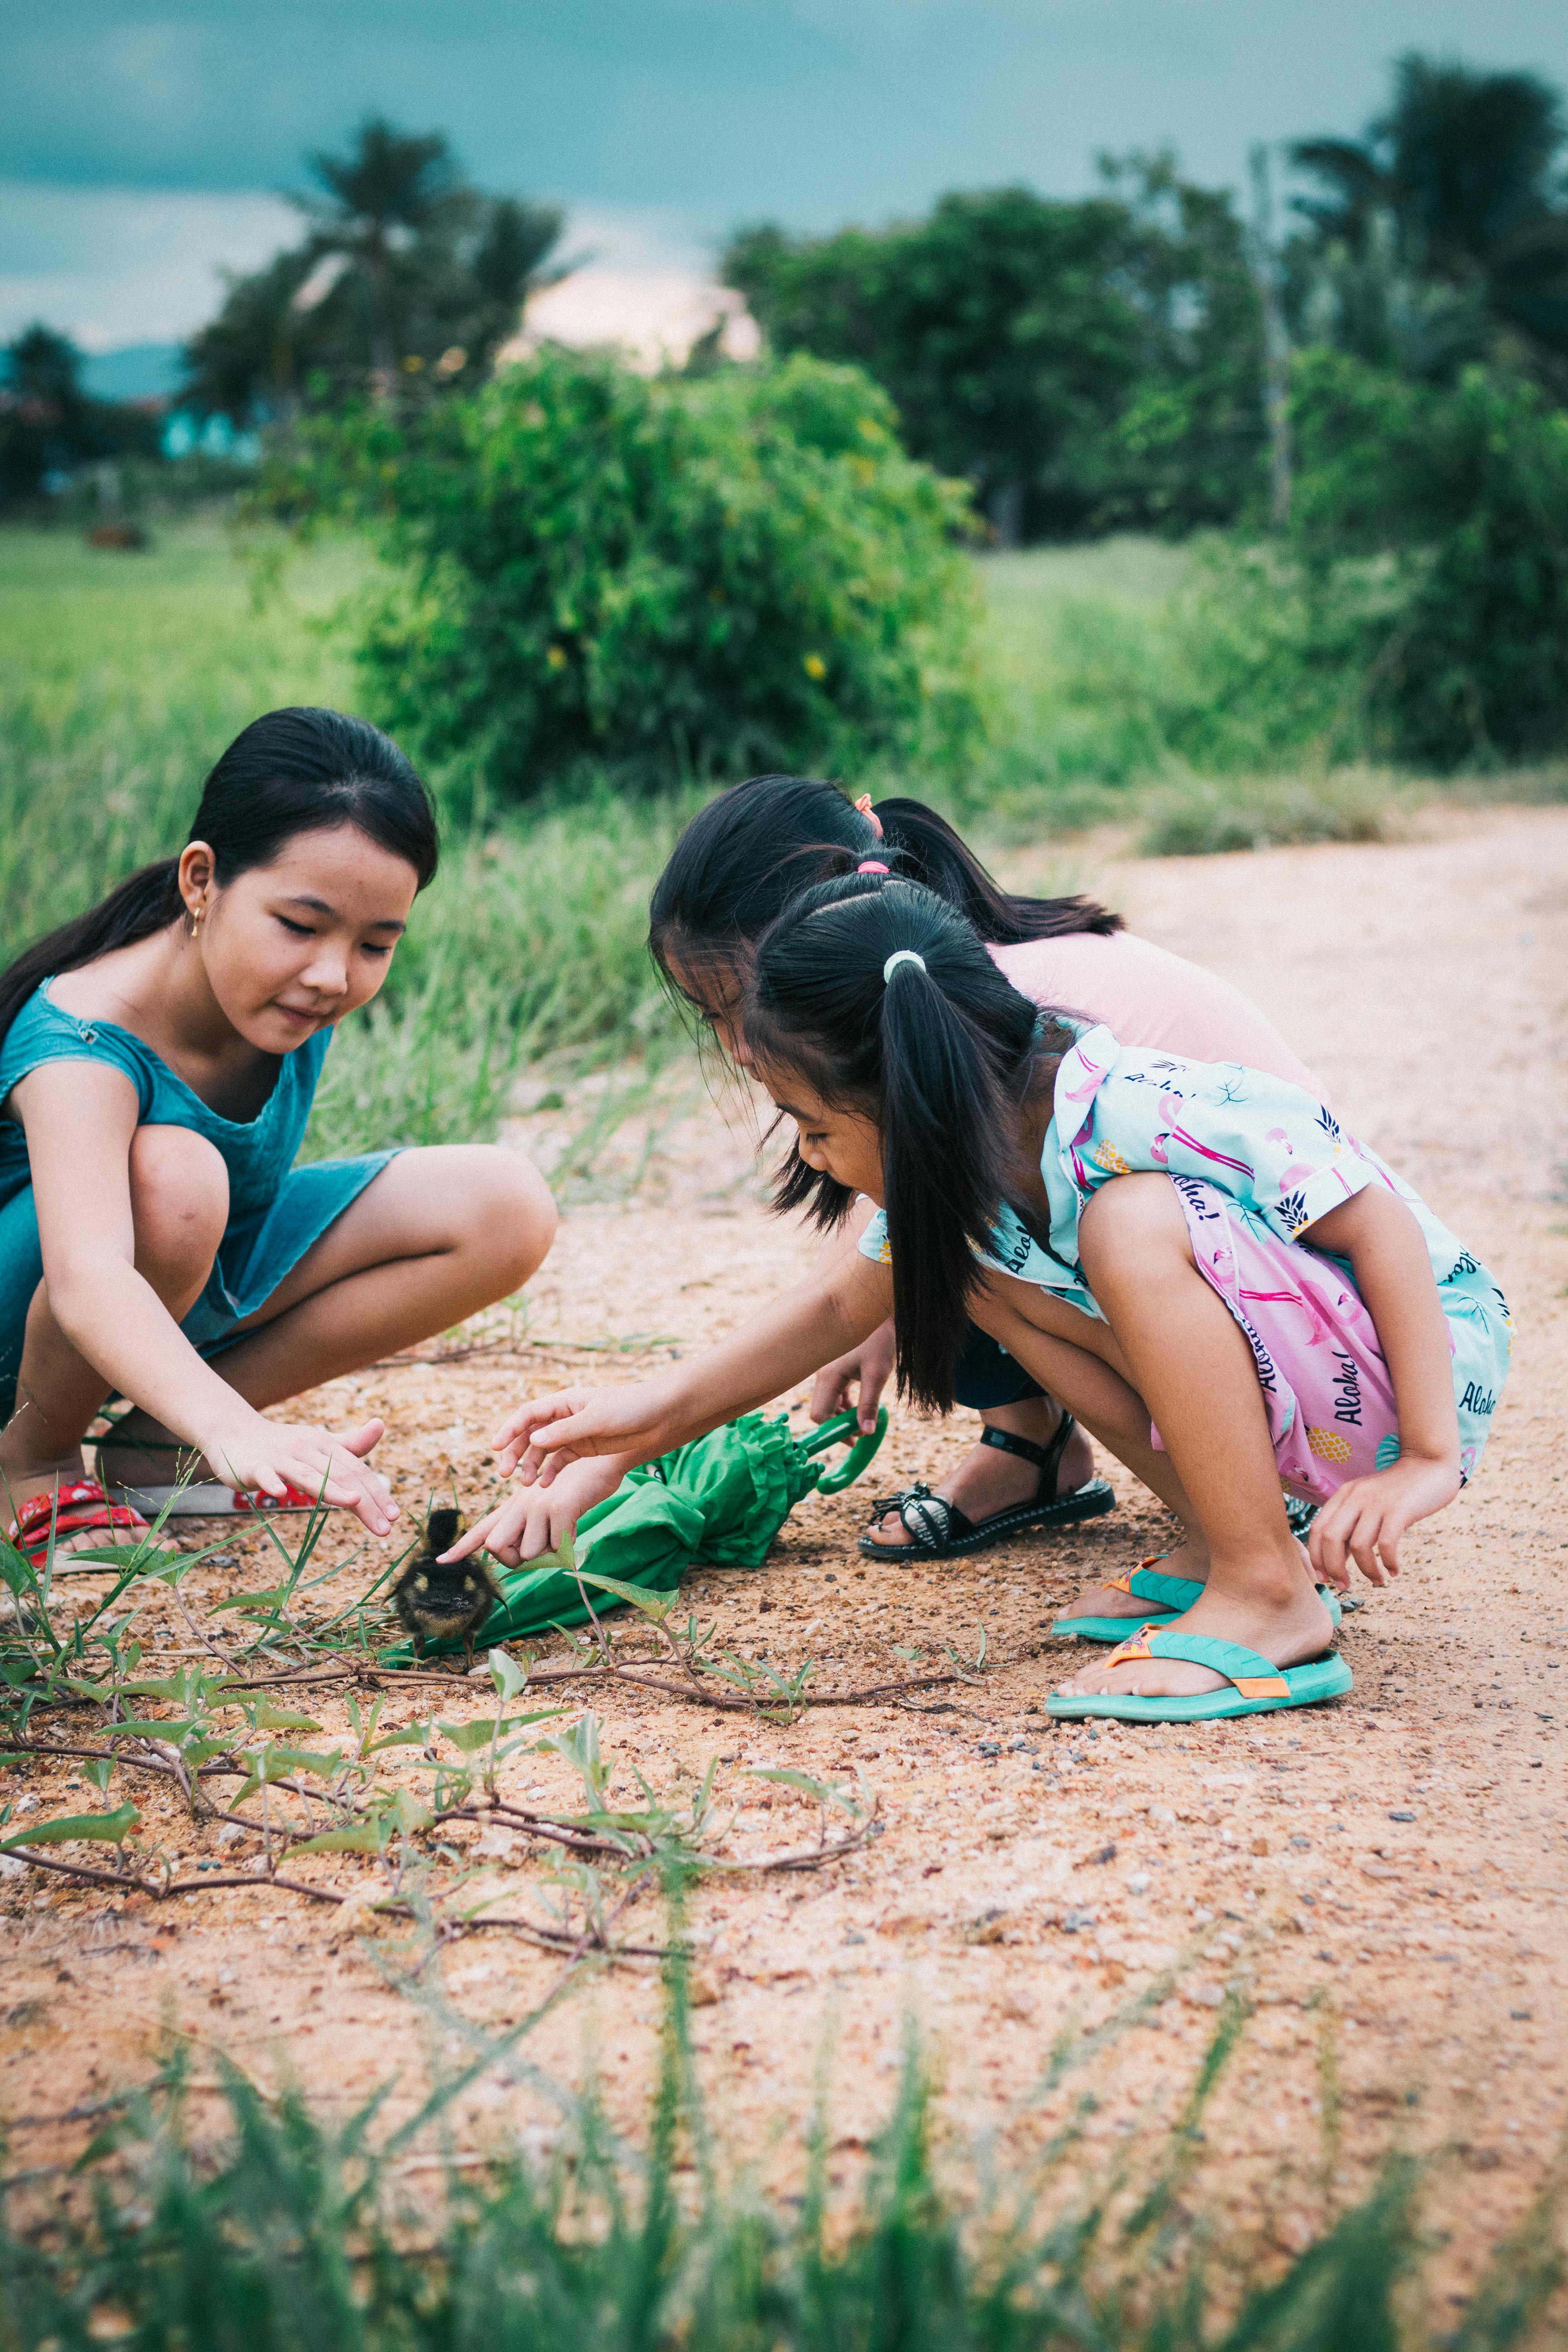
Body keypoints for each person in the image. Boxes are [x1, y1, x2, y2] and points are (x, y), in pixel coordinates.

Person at [448, 874, 1509, 1726]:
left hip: (1400, 1365)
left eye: (814, 1127)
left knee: (1129, 1227)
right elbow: (827, 1316)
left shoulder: (1134, 1100)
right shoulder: (965, 1168)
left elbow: (1374, 1222)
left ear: (901, 1100)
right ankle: (1233, 1541)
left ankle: (1266, 1593)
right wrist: (632, 1428)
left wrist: (1424, 1456)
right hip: (1308, 1380)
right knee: (981, 1282)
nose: (812, 1154)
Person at [647, 772, 1322, 1575]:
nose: (736, 1045)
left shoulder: (982, 1005)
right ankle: (1036, 1451)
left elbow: (866, 1266)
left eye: (738, 1004)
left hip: (1305, 1342)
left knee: (973, 1245)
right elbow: (866, 1263)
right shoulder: (933, 973)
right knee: (965, 1243)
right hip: (1265, 1300)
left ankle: (1251, 1530)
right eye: (712, 1016)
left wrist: (869, 1309)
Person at [0, 706, 556, 1561]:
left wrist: (220, 1425)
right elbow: (89, 1275)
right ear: (201, 881)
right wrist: (238, 1425)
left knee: (504, 1206)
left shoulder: (286, 992)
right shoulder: (82, 1040)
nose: (331, 974)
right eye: (300, 926)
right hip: (43, 1322)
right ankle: (34, 1463)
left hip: (189, 1269)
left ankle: (155, 1449)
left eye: (375, 944)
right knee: (179, 1180)